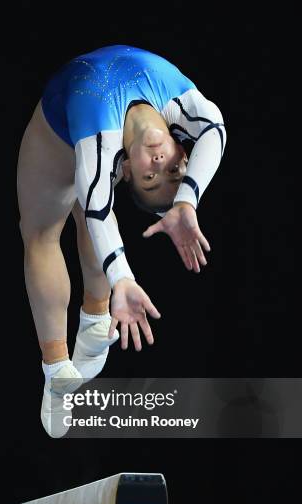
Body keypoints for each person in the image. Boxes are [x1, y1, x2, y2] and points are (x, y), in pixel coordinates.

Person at [17, 45, 227, 436]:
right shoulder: (182, 108)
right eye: (175, 169)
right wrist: (186, 201)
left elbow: (99, 211)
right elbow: (216, 130)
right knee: (83, 215)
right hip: (72, 128)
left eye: (150, 177)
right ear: (183, 147)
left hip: (61, 132)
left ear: (126, 170)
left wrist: (123, 281)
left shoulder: (102, 146)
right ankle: (95, 325)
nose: (161, 165)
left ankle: (57, 370)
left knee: (43, 234)